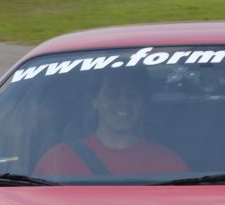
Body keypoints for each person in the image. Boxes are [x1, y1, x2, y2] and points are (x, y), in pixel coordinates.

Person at [34, 70, 188, 177]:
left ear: (143, 106)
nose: (124, 101)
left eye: (132, 94)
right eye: (113, 93)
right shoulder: (59, 159)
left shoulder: (169, 163)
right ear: (95, 101)